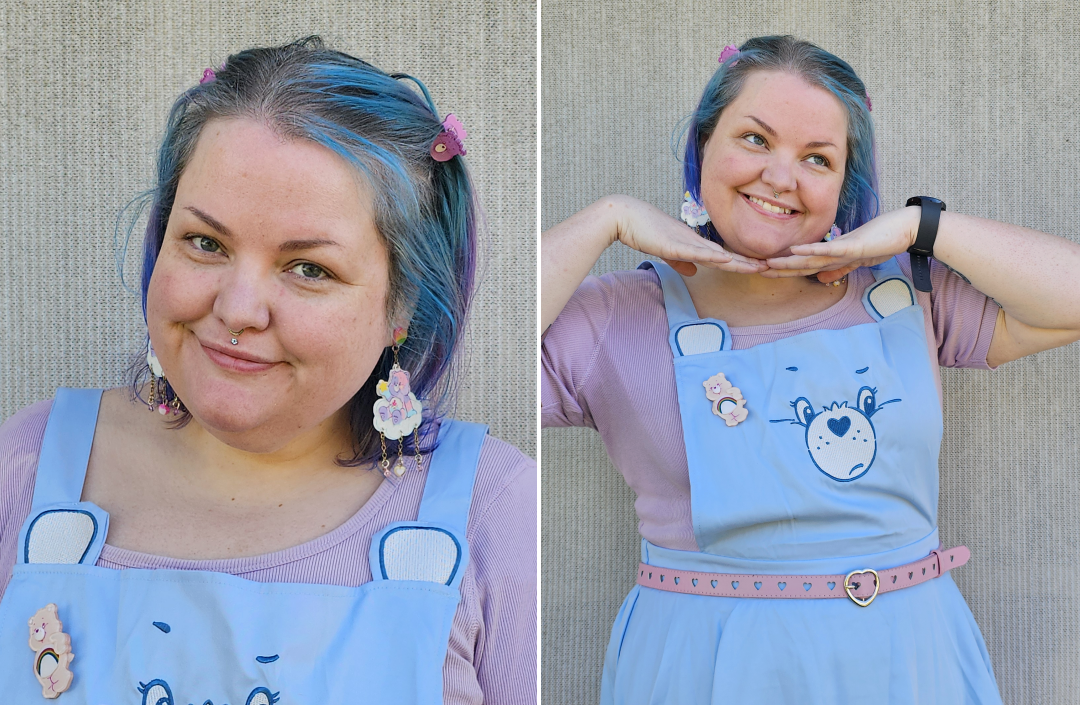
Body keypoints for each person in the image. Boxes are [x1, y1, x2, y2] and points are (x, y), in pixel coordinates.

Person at [541, 35, 1080, 703]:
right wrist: (606, 219)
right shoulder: (615, 318)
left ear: (843, 182)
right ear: (702, 146)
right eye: (755, 140)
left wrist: (920, 228)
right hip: (703, 668)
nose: (780, 177)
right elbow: (450, 355)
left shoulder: (905, 297)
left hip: (907, 663)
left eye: (817, 158)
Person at [0, 37, 535, 704]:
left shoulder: (498, 508)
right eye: (205, 242)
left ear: (403, 307)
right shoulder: (22, 469)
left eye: (309, 268)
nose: (237, 308)